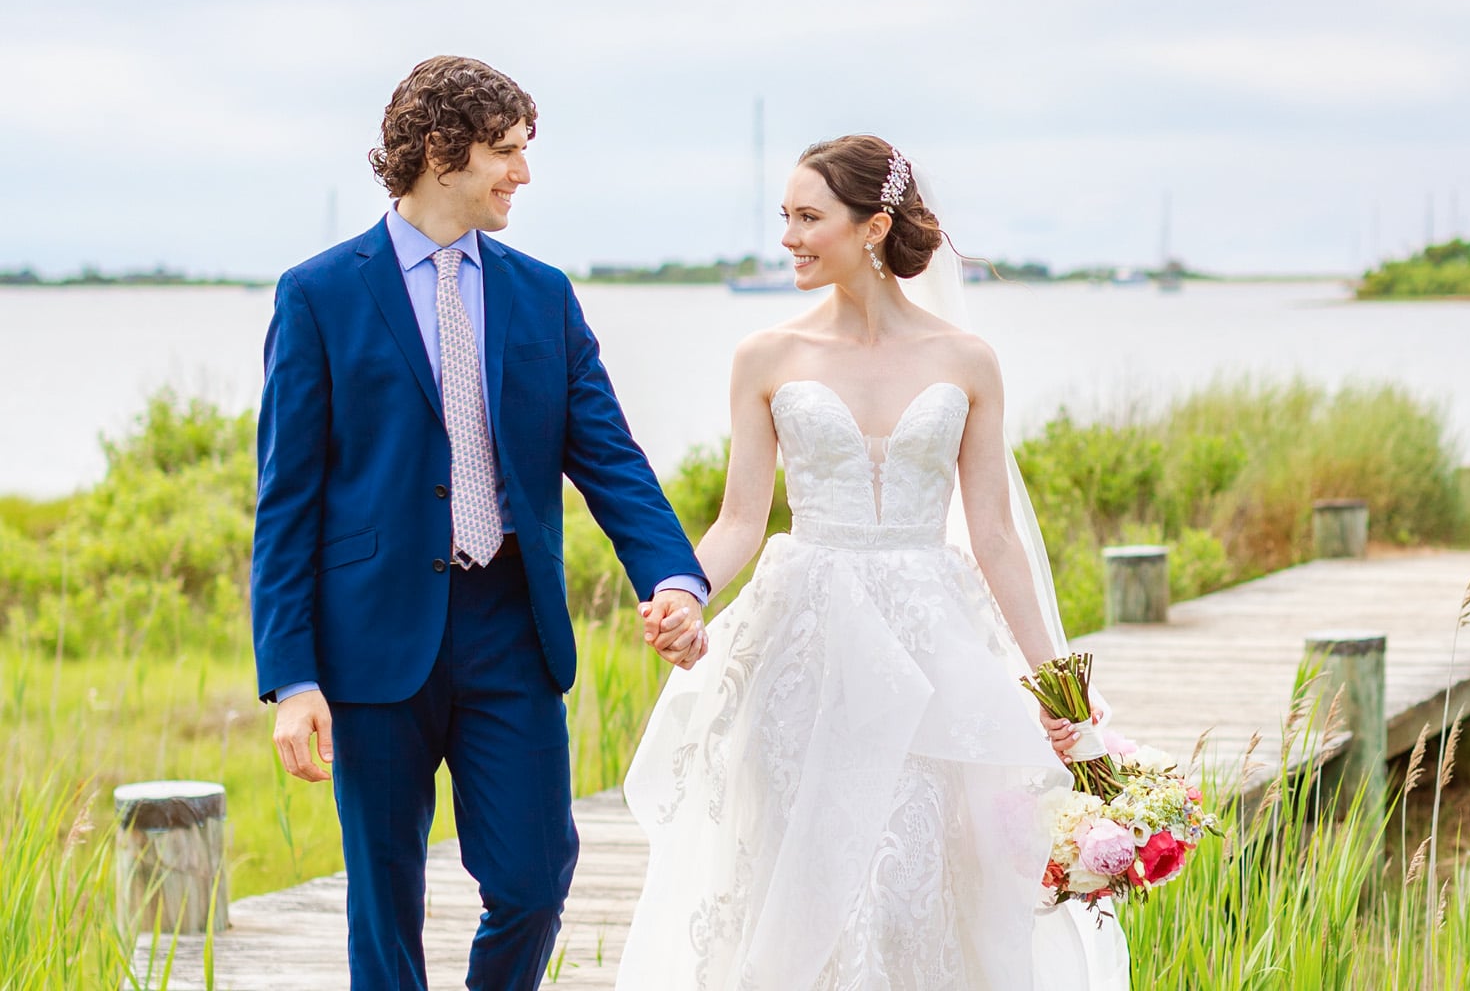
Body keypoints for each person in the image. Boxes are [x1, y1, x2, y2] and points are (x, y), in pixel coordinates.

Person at [617, 135, 1126, 989]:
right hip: (805, 651)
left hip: (936, 645)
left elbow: (994, 536)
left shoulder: (967, 362)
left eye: (809, 218)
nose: (789, 237)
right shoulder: (765, 357)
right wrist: (688, 594)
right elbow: (741, 519)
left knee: (918, 871)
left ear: (874, 226)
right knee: (809, 869)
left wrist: (1059, 688)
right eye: (785, 217)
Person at [250, 55, 709, 989]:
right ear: (437, 153)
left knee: (537, 879)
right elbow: (285, 502)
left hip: (511, 621)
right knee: (384, 897)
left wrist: (671, 574)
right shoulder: (320, 294)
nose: (522, 175)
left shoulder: (542, 293)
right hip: (370, 634)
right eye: (504, 153)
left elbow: (609, 455)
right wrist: (291, 675)